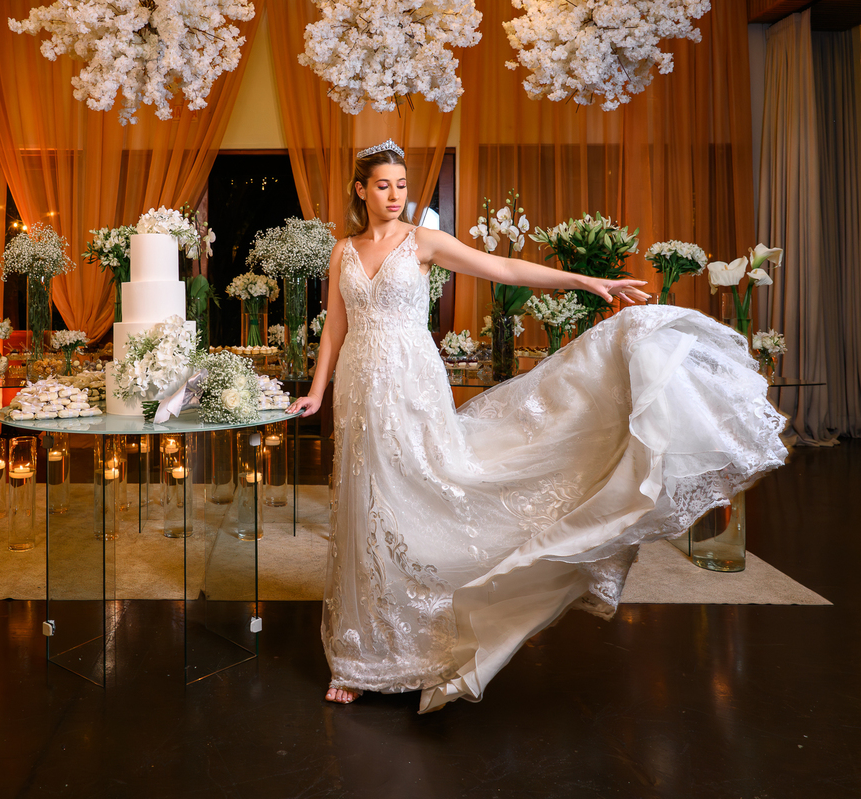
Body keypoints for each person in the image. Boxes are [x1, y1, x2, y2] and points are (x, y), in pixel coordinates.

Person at [286, 140, 788, 712]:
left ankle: (424, 640)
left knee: (424, 492)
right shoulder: (343, 251)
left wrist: (584, 281)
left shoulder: (422, 241)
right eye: (383, 185)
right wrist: (317, 391)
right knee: (364, 508)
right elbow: (334, 328)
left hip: (411, 383)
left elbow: (502, 267)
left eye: (402, 185)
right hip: (357, 389)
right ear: (361, 190)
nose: (395, 195)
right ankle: (358, 655)